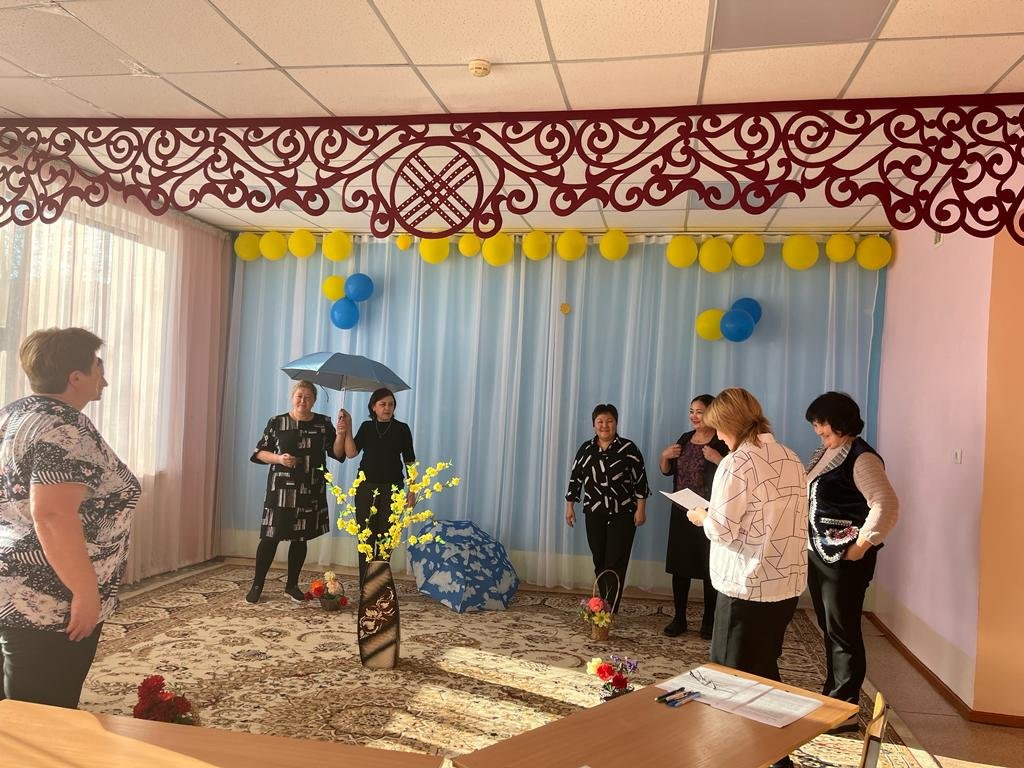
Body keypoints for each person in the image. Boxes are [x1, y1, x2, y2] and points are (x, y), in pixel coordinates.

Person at [0, 328, 141, 708]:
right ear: (75, 378)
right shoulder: (65, 429)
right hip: (49, 597)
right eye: (97, 368)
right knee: (43, 712)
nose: (104, 380)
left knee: (13, 711)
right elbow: (52, 514)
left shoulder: (14, 414)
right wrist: (84, 592)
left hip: (13, 583)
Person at [686, 388, 807, 768]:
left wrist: (701, 516)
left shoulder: (736, 463)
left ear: (730, 424)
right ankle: (777, 757)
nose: (719, 437)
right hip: (785, 583)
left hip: (747, 585)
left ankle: (733, 757)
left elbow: (722, 530)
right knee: (764, 670)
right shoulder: (790, 456)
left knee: (729, 680)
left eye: (719, 429)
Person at [805, 392, 899, 731]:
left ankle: (845, 708)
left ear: (841, 422)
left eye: (823, 426)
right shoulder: (828, 451)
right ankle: (833, 694)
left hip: (843, 558)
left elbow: (886, 505)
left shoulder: (862, 458)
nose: (819, 432)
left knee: (843, 632)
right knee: (830, 627)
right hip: (821, 553)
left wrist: (860, 546)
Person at [247, 380, 347, 603]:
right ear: (292, 397)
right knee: (270, 537)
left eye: (308, 397)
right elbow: (259, 453)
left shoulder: (323, 423)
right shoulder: (277, 422)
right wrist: (279, 459)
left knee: (301, 538)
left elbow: (338, 453)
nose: (303, 400)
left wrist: (341, 434)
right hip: (281, 490)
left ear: (314, 400)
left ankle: (291, 585)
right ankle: (257, 585)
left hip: (310, 488)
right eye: (299, 396)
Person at [565, 404, 650, 613]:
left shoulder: (628, 448)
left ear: (616, 423)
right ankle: (602, 603)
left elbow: (640, 481)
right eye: (600, 421)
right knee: (599, 560)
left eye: (609, 421)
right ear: (594, 424)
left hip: (623, 514)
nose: (605, 425)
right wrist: (570, 507)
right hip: (594, 514)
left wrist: (641, 509)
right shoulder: (586, 449)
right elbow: (575, 479)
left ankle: (608, 610)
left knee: (615, 562)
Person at [658, 394, 728, 638]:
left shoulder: (722, 441)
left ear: (712, 413)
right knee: (680, 568)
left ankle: (709, 621)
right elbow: (667, 471)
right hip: (682, 512)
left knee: (709, 568)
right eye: (691, 411)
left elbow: (734, 474)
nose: (694, 416)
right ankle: (679, 618)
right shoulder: (685, 439)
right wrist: (664, 456)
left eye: (699, 411)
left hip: (709, 514)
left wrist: (718, 459)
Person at [340, 387, 416, 583]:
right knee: (366, 539)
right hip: (366, 489)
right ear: (373, 407)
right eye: (383, 404)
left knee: (386, 540)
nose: (387, 408)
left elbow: (409, 461)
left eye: (391, 404)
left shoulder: (402, 429)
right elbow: (351, 453)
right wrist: (347, 428)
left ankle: (379, 586)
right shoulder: (366, 427)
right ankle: (365, 586)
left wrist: (412, 490)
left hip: (393, 490)